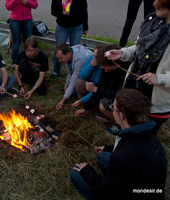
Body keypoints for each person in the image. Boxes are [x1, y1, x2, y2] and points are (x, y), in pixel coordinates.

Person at [70, 89, 167, 200]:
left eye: (113, 108)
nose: (112, 111)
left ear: (121, 115)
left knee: (76, 173)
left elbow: (106, 194)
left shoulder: (121, 158)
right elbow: (134, 155)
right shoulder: (151, 138)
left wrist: (86, 171)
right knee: (103, 156)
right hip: (150, 190)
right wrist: (108, 148)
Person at [106, 0, 170, 133]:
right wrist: (123, 53)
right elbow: (140, 46)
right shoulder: (153, 21)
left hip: (155, 101)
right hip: (135, 87)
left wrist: (160, 78)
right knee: (126, 124)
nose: (153, 3)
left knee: (143, 135)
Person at [74, 44, 127, 123]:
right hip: (109, 96)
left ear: (117, 64)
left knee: (103, 108)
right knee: (100, 116)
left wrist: (96, 89)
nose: (101, 67)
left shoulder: (126, 72)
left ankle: (121, 123)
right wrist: (85, 108)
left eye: (104, 65)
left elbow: (118, 93)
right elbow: (99, 88)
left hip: (124, 101)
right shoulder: (105, 70)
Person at [51, 0, 88, 77]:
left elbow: (84, 10)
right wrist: (62, 13)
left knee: (75, 51)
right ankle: (56, 70)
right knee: (59, 49)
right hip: (62, 27)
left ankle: (73, 71)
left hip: (77, 27)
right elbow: (53, 11)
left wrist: (85, 26)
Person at [55, 44, 92, 110]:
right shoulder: (69, 52)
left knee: (75, 86)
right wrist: (66, 84)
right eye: (58, 58)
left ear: (68, 54)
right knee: (65, 87)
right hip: (79, 74)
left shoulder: (80, 59)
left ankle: (85, 100)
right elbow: (70, 71)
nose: (59, 61)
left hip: (90, 79)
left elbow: (73, 81)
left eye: (61, 58)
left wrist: (62, 101)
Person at [6, 0, 38, 66]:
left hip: (27, 20)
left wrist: (27, 1)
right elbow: (8, 7)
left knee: (28, 42)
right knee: (16, 42)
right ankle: (15, 62)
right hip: (15, 21)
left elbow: (35, 5)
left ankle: (27, 61)